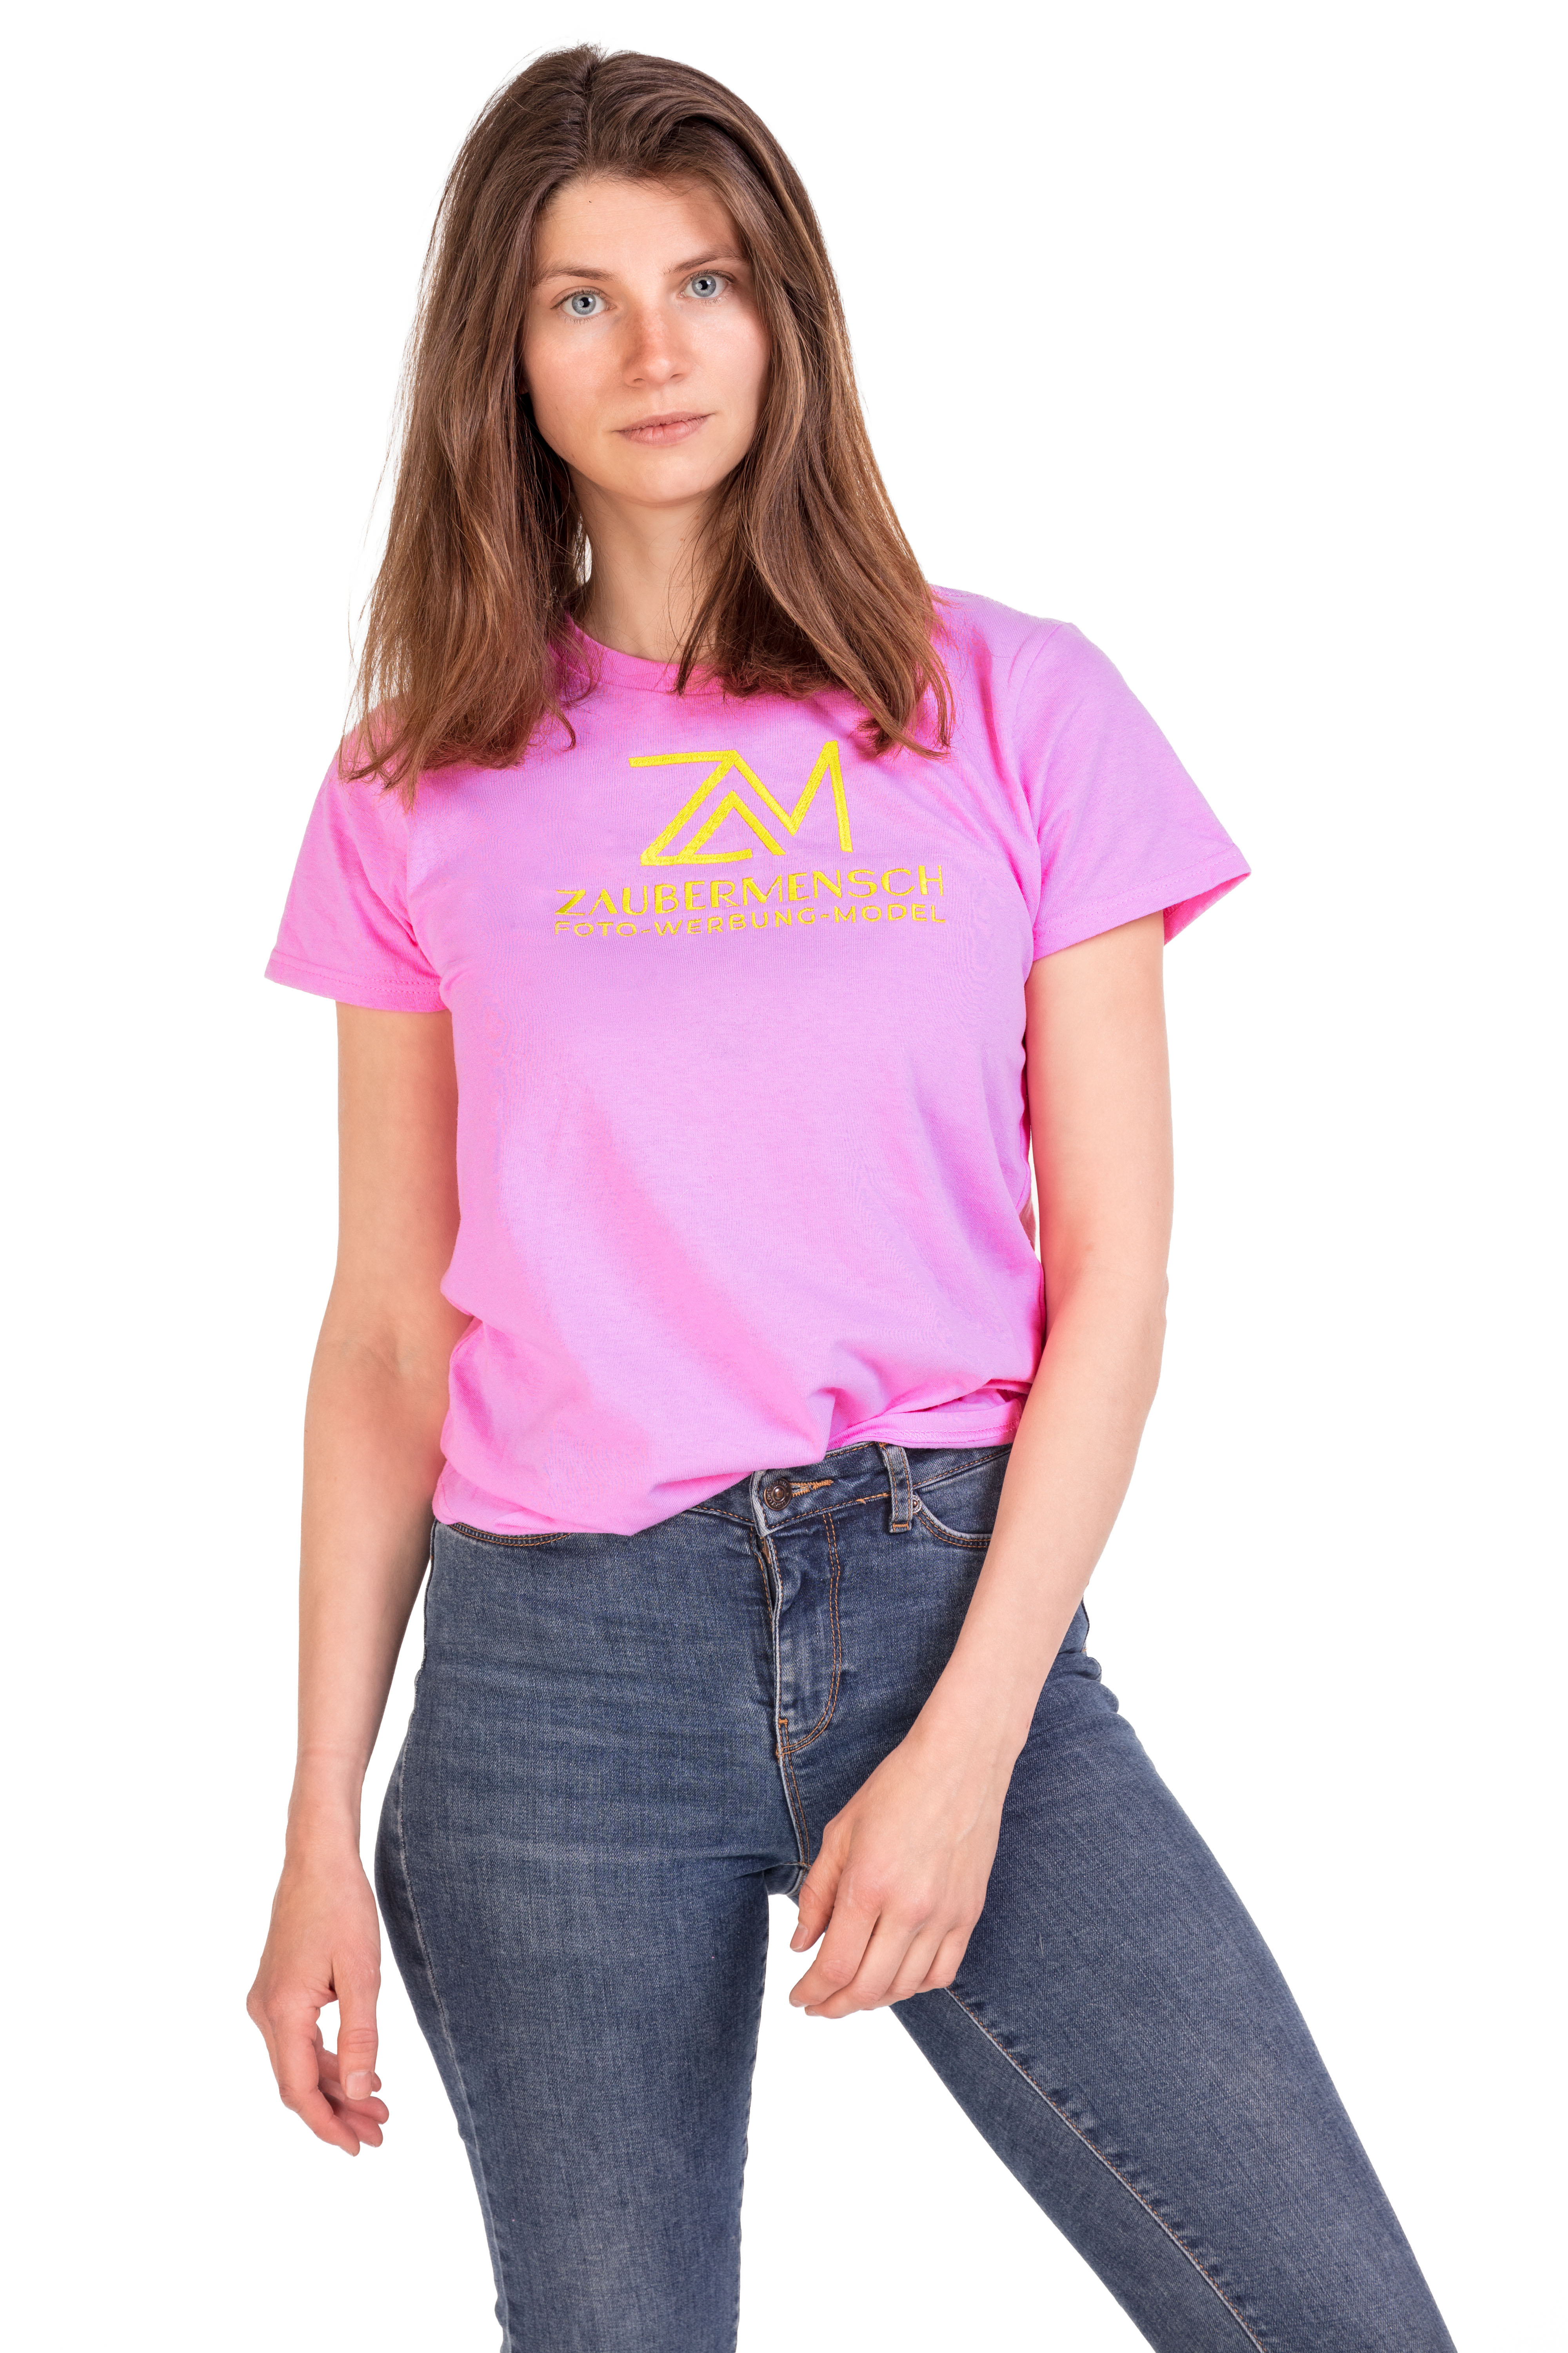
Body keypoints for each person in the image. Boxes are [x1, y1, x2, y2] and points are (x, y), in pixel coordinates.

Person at [247, 45, 1456, 2353]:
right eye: (581, 300)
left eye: (705, 281)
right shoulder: (416, 778)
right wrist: (316, 1821)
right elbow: (387, 1330)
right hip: (549, 1680)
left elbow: (1116, 1280)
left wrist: (971, 1745)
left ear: (785, 313)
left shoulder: (1014, 703)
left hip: (940, 1598)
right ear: (505, 359)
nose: (656, 348)